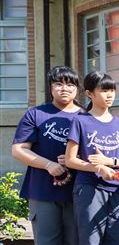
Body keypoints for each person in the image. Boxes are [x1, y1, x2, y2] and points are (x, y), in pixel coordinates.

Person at [11, 66, 83, 245]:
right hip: (42, 192)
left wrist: (74, 158)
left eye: (70, 84)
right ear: (50, 87)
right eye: (58, 84)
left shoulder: (86, 116)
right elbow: (18, 149)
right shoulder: (36, 114)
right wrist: (48, 165)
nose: (64, 89)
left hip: (79, 191)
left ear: (77, 88)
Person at [65, 71, 119, 245]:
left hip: (117, 190)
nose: (110, 94)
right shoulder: (80, 121)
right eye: (104, 90)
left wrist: (108, 162)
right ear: (89, 93)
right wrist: (98, 168)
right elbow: (70, 160)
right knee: (91, 241)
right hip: (89, 189)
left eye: (112, 90)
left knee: (115, 240)